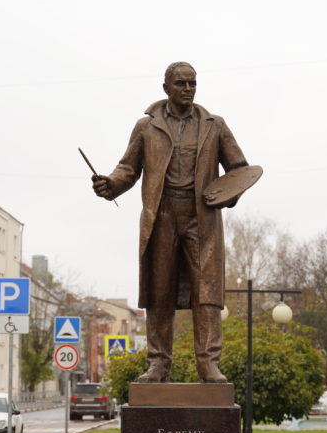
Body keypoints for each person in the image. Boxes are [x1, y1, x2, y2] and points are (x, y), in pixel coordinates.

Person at [92, 61, 248, 383]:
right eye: (181, 84)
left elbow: (239, 170)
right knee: (159, 290)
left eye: (192, 83)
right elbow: (128, 169)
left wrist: (227, 195)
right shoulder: (146, 127)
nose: (188, 89)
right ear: (166, 88)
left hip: (201, 218)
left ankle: (208, 364)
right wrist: (110, 185)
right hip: (161, 214)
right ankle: (159, 363)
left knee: (207, 293)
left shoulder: (214, 125)